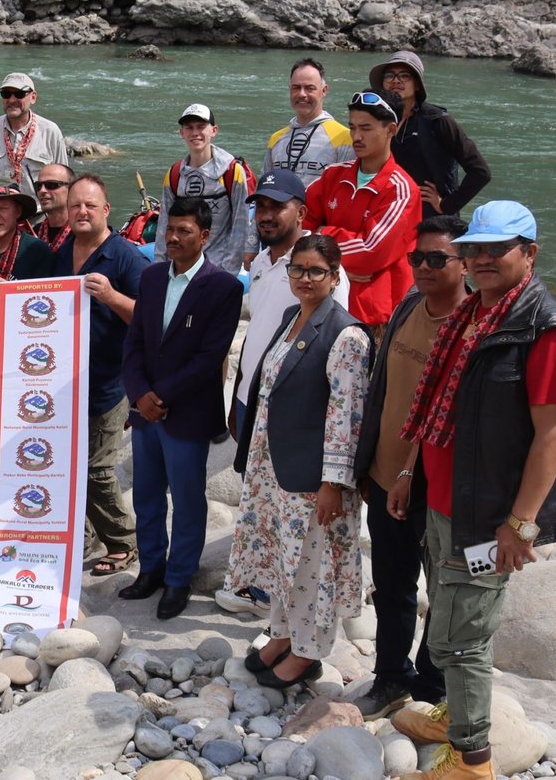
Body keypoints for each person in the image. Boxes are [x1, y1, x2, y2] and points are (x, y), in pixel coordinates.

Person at [391, 202, 556, 780]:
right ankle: (457, 717)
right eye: (474, 248)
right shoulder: (475, 313)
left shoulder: (546, 330)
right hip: (447, 501)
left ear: (530, 252)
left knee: (462, 638)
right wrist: (410, 472)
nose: (481, 258)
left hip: (487, 517)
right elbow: (441, 409)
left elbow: (553, 435)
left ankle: (473, 760)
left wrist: (519, 525)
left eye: (497, 249)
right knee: (449, 620)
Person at [227, 234, 372, 687]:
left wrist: (333, 483)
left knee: (311, 564)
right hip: (274, 464)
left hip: (313, 475)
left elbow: (346, 416)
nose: (305, 279)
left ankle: (308, 653)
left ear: (335, 275)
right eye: (298, 269)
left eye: (316, 271)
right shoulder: (292, 315)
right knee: (281, 557)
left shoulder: (346, 335)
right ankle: (283, 633)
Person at [349, 215, 470, 719]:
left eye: (437, 258)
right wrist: (365, 465)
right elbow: (381, 390)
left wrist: (409, 475)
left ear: (466, 263)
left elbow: (452, 416)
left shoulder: (473, 328)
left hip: (438, 487)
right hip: (384, 475)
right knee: (393, 584)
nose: (423, 267)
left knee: (444, 591)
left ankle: (432, 682)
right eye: (417, 257)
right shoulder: (407, 308)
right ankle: (391, 676)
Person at [218, 168, 349, 619]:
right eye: (261, 206)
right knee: (260, 496)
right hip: (253, 397)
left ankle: (291, 601)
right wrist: (239, 393)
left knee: (292, 504)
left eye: (278, 206)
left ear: (302, 212)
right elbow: (257, 331)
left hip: (291, 409)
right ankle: (263, 587)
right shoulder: (261, 263)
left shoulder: (318, 266)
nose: (267, 214)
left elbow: (332, 343)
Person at [119, 197, 244, 620]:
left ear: (204, 236)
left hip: (186, 414)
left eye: (183, 231)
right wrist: (139, 395)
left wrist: (160, 397)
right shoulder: (152, 277)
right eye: (169, 229)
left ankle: (179, 578)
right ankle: (151, 569)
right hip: (144, 412)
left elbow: (210, 358)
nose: (172, 237)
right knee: (146, 496)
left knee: (188, 500)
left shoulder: (224, 286)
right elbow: (135, 342)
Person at [54, 174, 148, 576]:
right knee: (68, 463)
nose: (82, 212)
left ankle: (124, 541)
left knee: (96, 468)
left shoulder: (126, 257)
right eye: (75, 205)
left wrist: (111, 296)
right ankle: (86, 535)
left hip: (110, 381)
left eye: (90, 205)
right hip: (65, 381)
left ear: (106, 210)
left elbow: (149, 318)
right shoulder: (62, 253)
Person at [304, 89, 421, 335]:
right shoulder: (332, 175)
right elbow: (297, 225)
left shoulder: (401, 189)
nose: (356, 136)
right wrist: (339, 268)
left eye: (366, 128)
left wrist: (322, 233)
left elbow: (370, 251)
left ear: (391, 129)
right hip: (323, 305)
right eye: (352, 127)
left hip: (373, 319)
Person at [370, 51, 492, 218]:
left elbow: (480, 172)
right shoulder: (378, 121)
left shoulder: (438, 121)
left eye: (405, 76)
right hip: (390, 214)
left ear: (417, 85)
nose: (396, 81)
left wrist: (447, 205)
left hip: (431, 221)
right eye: (389, 75)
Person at [156, 104, 255, 275]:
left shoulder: (232, 172)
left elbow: (240, 224)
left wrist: (227, 272)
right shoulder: (174, 174)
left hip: (217, 268)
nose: (195, 133)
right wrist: (160, 267)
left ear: (214, 131)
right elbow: (164, 223)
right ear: (182, 133)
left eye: (201, 126)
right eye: (189, 127)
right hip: (181, 267)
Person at [0, 72, 68, 197]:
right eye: (6, 94)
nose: (11, 100)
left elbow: (64, 183)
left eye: (19, 94)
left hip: (37, 208)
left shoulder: (50, 131)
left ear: (33, 97)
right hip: (0, 207)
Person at [264, 58, 355, 183]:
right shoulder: (276, 139)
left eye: (309, 88)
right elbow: (266, 185)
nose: (302, 94)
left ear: (324, 91)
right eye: (296, 88)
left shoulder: (345, 138)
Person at [31, 163, 75, 252]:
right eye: (38, 186)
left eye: (51, 185)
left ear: (71, 189)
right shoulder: (34, 234)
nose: (42, 190)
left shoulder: (82, 234)